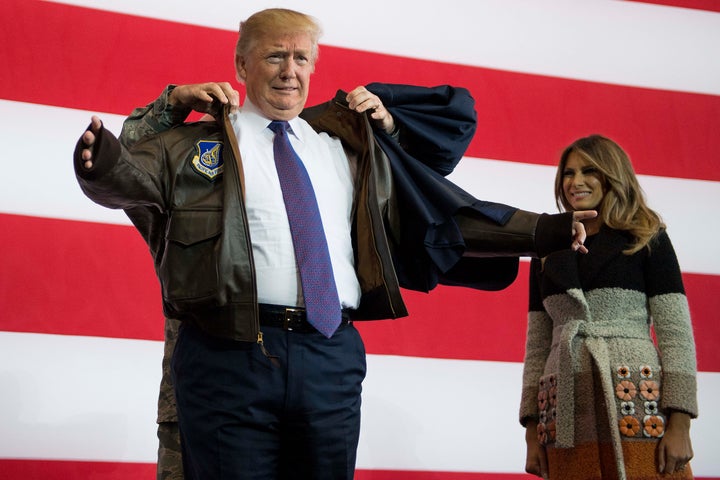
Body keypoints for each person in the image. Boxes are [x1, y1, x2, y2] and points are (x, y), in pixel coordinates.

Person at [74, 8, 595, 480]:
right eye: (275, 56)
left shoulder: (344, 145)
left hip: (330, 357)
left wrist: (545, 230)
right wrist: (96, 162)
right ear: (241, 64)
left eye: (301, 58)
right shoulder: (195, 144)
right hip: (227, 357)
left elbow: (443, 217)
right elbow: (128, 177)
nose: (289, 70)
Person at [519, 134, 698, 480]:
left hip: (637, 404)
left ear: (612, 175)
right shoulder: (547, 249)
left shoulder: (647, 236)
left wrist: (681, 423)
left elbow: (675, 333)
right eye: (568, 173)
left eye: (590, 171)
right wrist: (531, 430)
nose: (576, 181)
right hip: (565, 411)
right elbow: (537, 344)